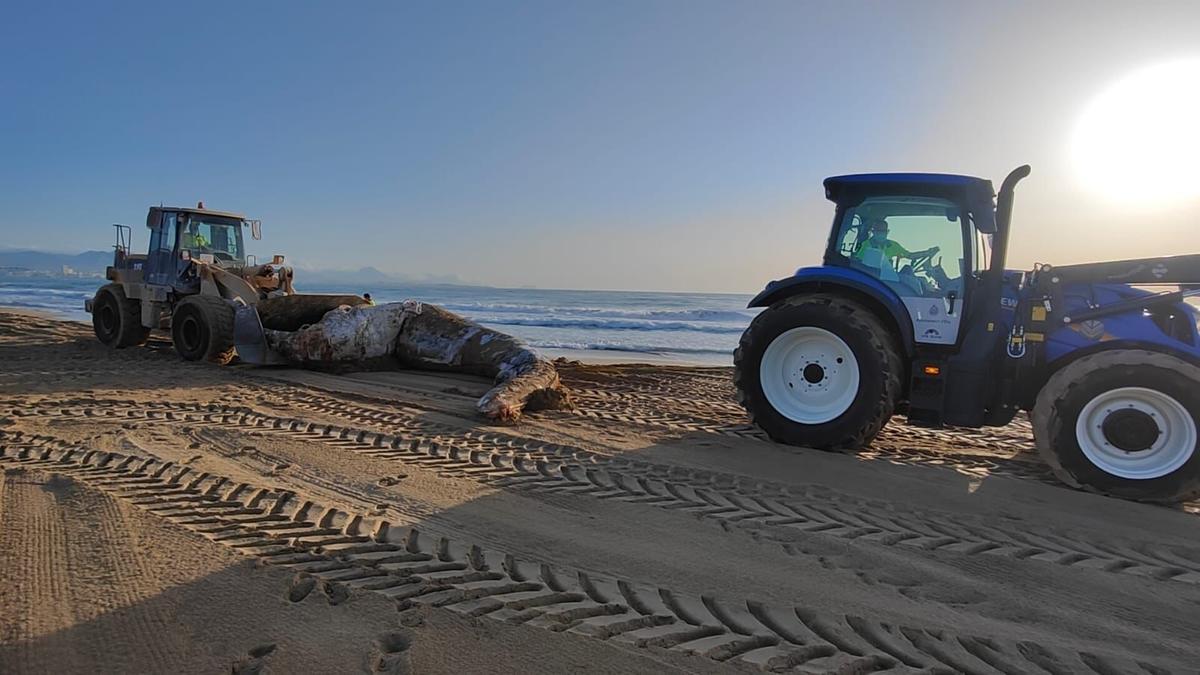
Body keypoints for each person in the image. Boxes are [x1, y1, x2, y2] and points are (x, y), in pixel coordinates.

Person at [853, 218, 938, 267]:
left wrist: (927, 253)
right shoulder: (866, 245)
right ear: (873, 231)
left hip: (887, 279)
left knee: (907, 270)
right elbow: (857, 262)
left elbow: (910, 256)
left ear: (887, 232)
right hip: (871, 277)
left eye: (883, 231)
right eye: (878, 230)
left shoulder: (892, 245)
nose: (881, 233)